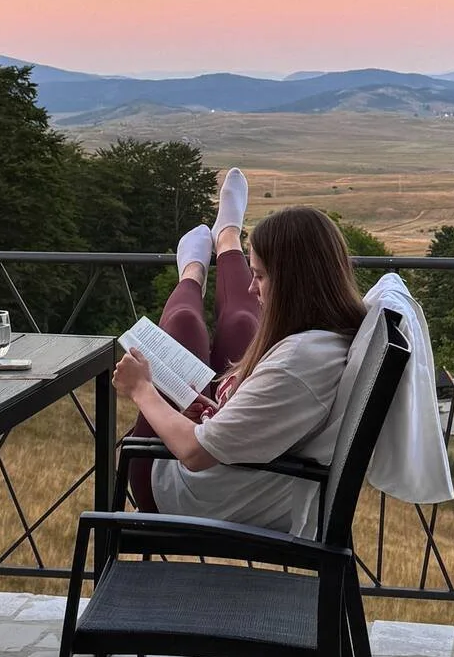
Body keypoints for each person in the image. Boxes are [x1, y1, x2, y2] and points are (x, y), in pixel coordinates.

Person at [115, 170, 367, 538]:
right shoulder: (327, 342)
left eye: (260, 277)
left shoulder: (297, 364)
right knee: (238, 325)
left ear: (294, 284)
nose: (253, 287)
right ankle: (225, 239)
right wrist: (218, 414)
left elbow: (194, 452)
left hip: (189, 489)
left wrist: (141, 388)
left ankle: (194, 271)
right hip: (246, 479)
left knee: (185, 326)